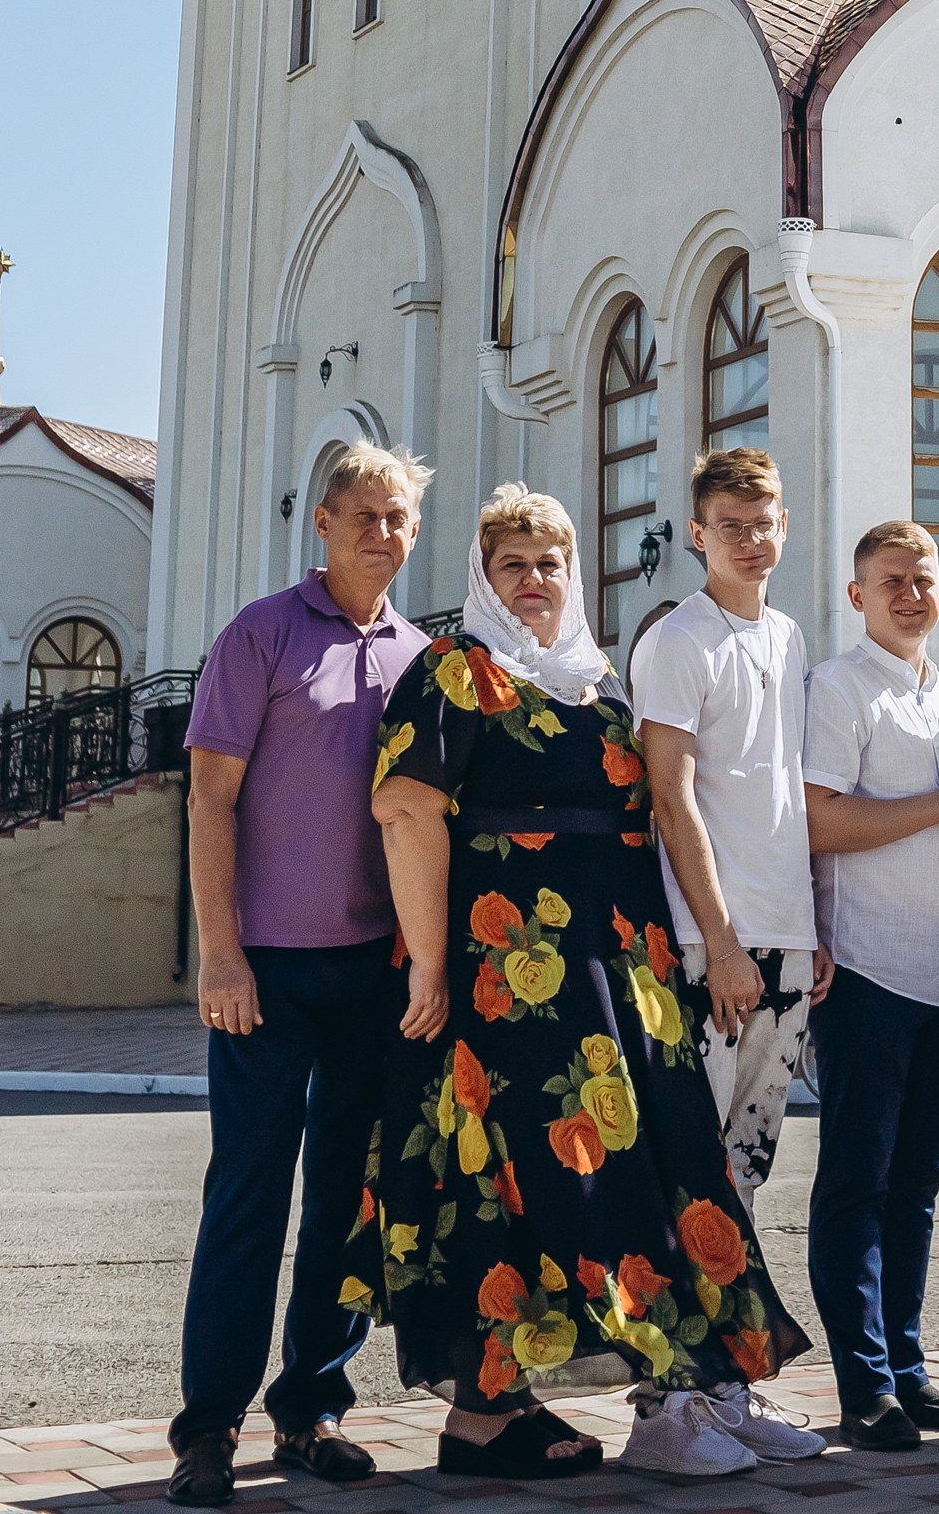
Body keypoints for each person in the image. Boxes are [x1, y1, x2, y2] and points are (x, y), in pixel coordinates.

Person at [361, 486, 813, 1484]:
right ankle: (482, 1417)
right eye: (512, 564)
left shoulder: (596, 690)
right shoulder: (453, 672)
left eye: (550, 564)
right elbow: (406, 812)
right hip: (503, 983)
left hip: (619, 984)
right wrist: (432, 961)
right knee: (512, 1186)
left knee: (634, 1186)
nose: (533, 581)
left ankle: (693, 1393)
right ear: (483, 577)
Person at [167, 441, 432, 1507]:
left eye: (399, 517)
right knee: (247, 1195)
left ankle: (312, 1408)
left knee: (345, 1203)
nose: (382, 532)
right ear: (322, 523)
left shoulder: (421, 656)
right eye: (363, 514)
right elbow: (208, 801)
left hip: (376, 971)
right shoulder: (261, 634)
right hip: (265, 972)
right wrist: (219, 951)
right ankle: (208, 1428)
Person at [800, 519, 939, 1453]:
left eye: (923, 579)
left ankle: (909, 1366)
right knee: (857, 1178)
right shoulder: (838, 687)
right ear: (858, 597)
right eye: (890, 580)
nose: (909, 594)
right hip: (866, 966)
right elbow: (819, 820)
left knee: (919, 1186)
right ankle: (865, 1389)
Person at [632, 448, 830, 1207]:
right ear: (697, 533)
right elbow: (671, 798)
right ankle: (686, 1325)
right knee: (691, 1160)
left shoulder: (787, 634)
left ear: (784, 524)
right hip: (710, 938)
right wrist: (719, 944)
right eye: (729, 527)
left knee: (748, 1161)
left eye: (761, 524)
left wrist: (812, 926)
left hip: (786, 929)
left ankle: (740, 1325)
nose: (749, 540)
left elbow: (781, 794)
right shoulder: (680, 639)